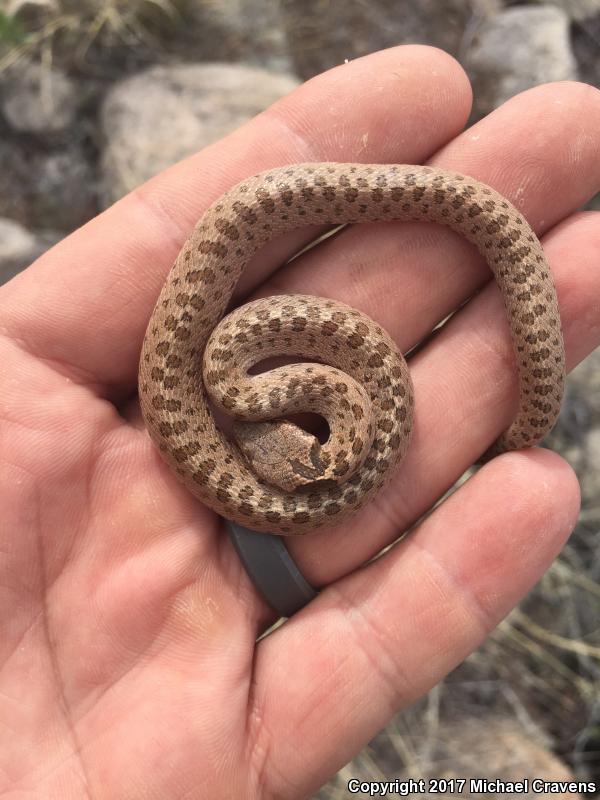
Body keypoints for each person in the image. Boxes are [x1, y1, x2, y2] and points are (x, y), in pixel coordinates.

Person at [0, 44, 595, 798]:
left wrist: (514, 433)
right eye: (313, 460)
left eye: (310, 459)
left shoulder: (267, 385)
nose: (326, 465)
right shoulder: (229, 385)